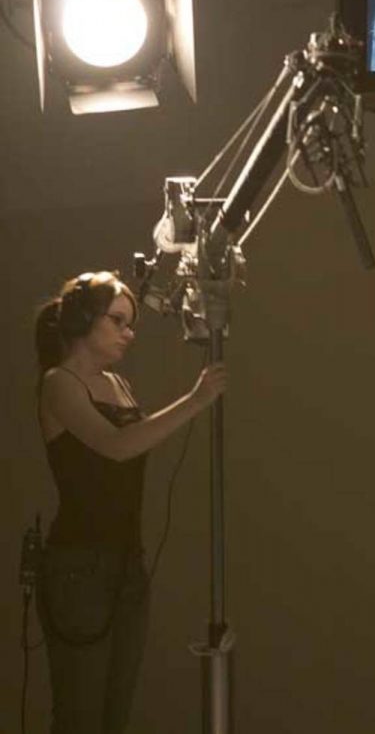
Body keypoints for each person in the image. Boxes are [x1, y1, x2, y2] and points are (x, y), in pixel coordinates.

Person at [34, 270, 227, 734]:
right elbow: (117, 446)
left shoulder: (118, 385)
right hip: (78, 568)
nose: (129, 333)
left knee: (114, 713)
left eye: (130, 323)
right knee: (81, 714)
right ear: (83, 320)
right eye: (118, 321)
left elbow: (132, 442)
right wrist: (196, 400)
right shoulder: (59, 384)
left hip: (126, 565)